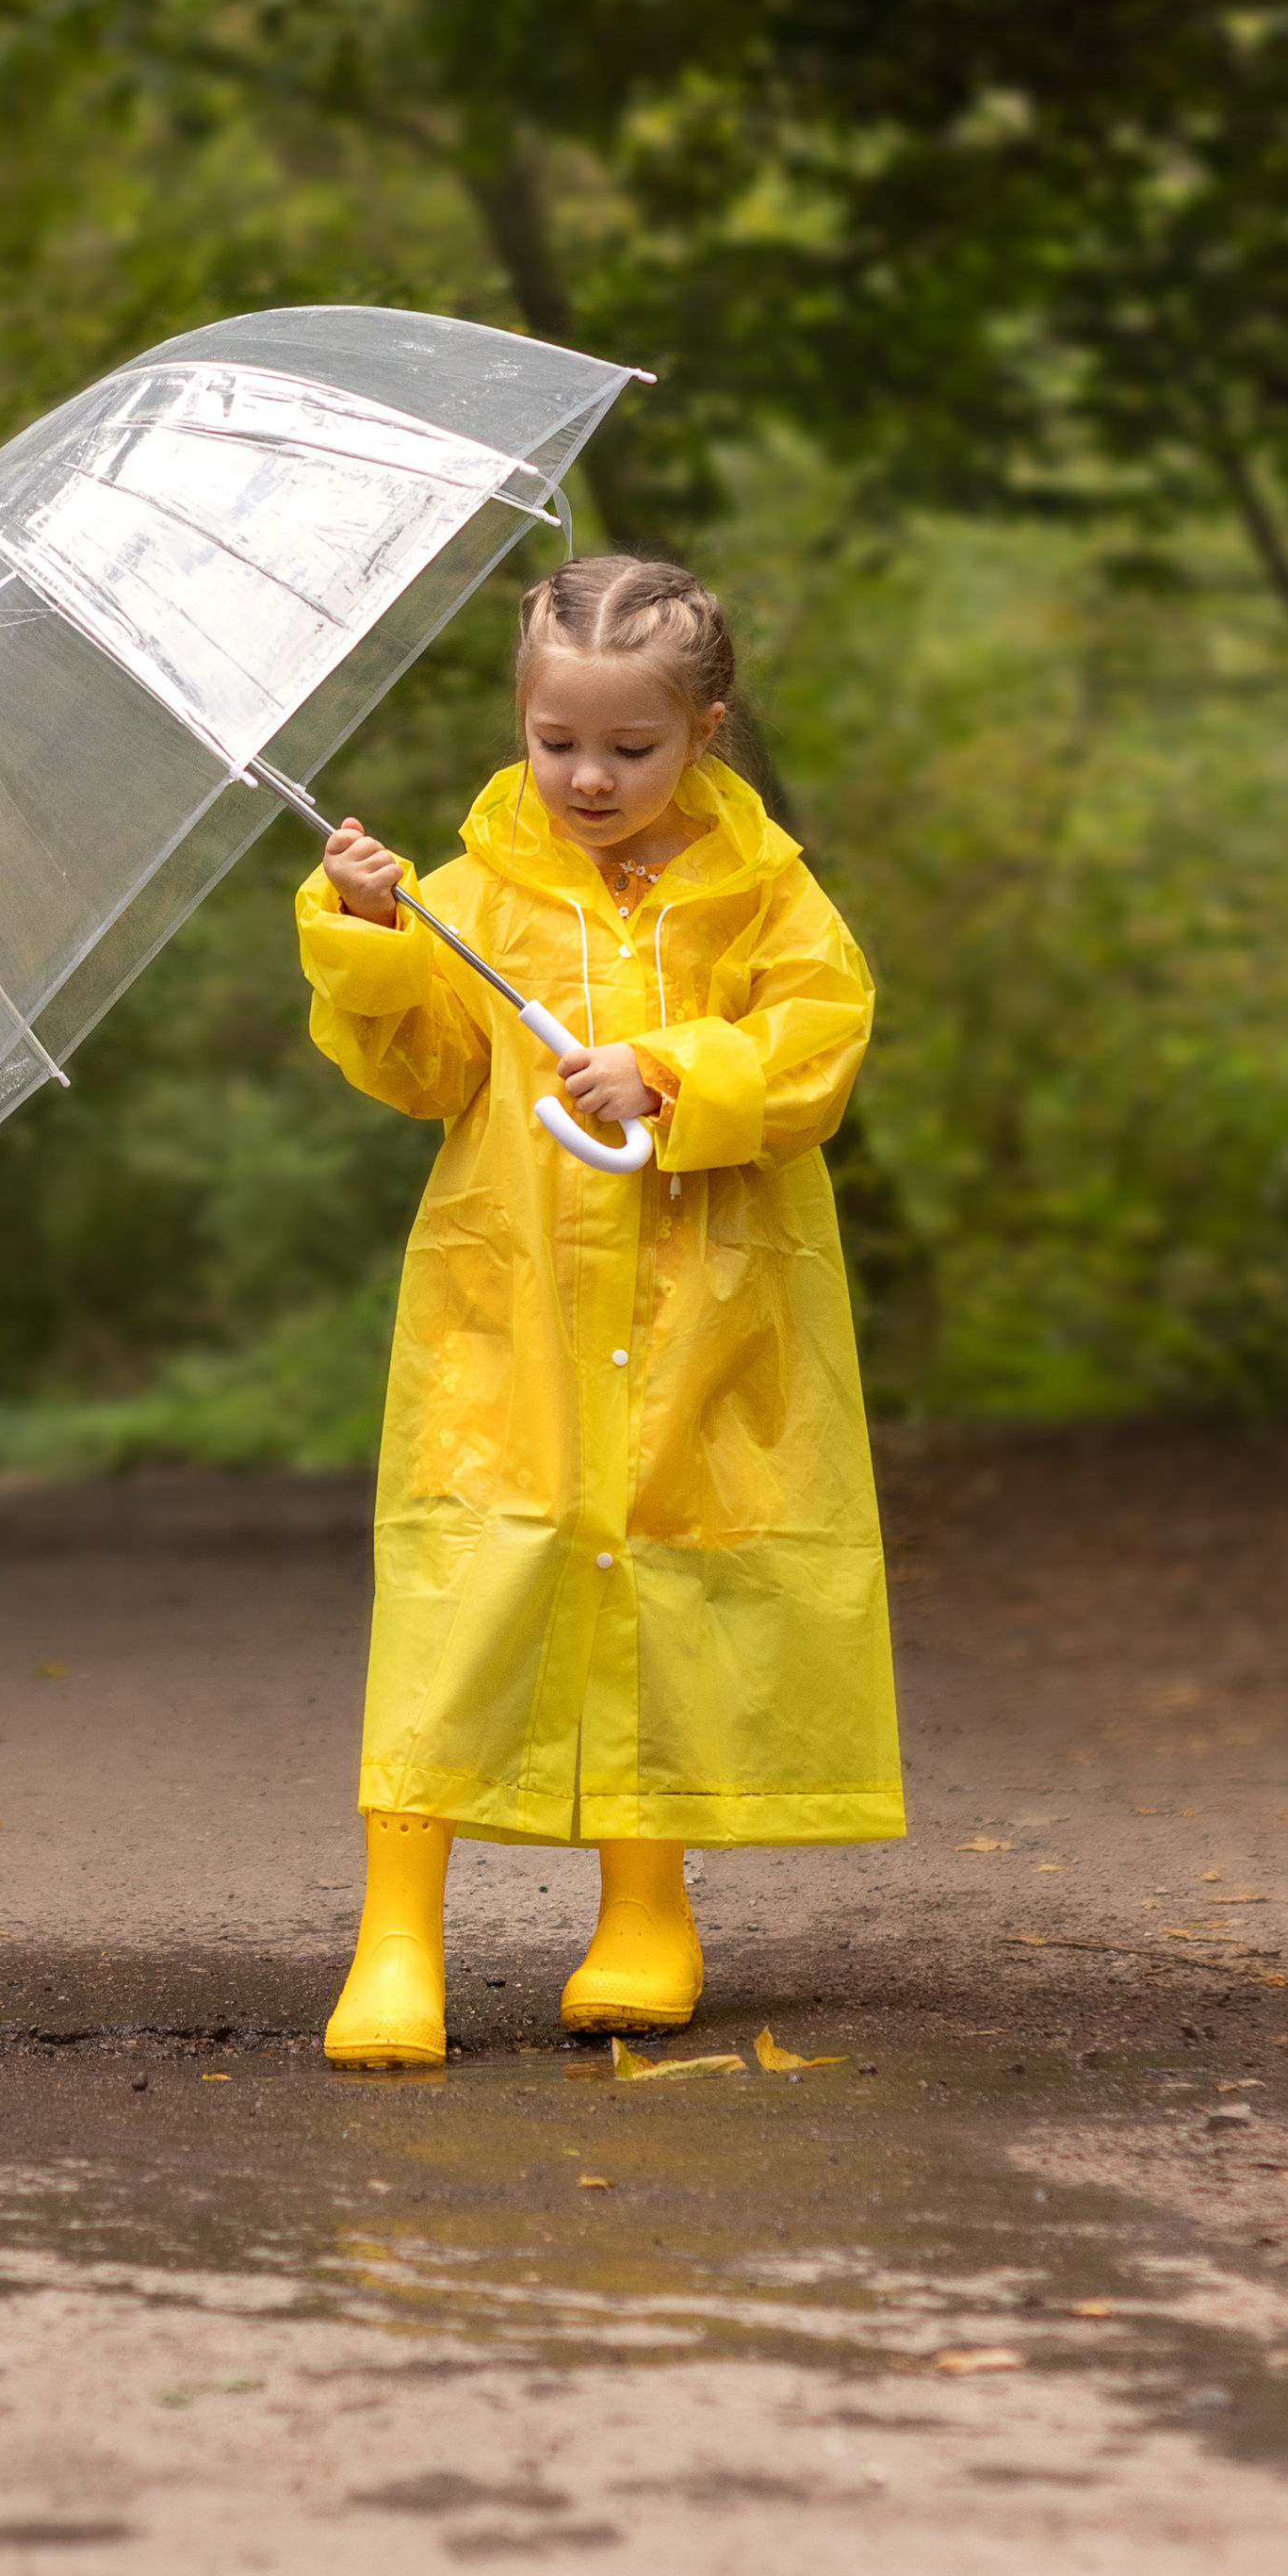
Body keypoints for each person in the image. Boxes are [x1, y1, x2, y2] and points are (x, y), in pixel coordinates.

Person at [296, 553, 904, 2069]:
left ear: (704, 731)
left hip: (709, 1297)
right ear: (522, 715)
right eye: (556, 739)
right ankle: (397, 1933)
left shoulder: (765, 887)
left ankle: (647, 1904)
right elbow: (426, 1073)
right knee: (469, 1571)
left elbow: (819, 1046)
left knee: (672, 1573)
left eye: (629, 747)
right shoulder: (473, 895)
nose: (586, 774)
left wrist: (679, 1070)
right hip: (511, 1297)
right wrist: (369, 933)